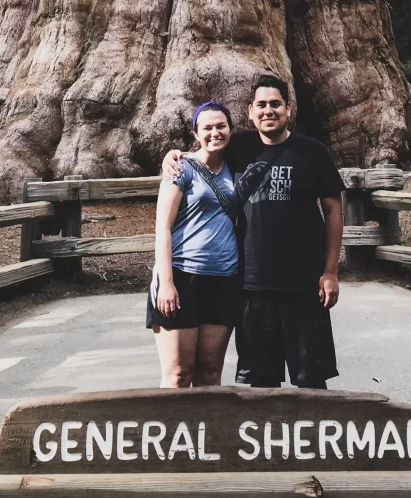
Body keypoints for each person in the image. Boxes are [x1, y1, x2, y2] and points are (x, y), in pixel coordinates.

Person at [163, 74, 344, 390]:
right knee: (261, 386)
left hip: (304, 286)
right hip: (250, 288)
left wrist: (330, 272)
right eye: (261, 105)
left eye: (276, 104)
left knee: (311, 382)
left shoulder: (312, 152)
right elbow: (204, 152)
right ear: (249, 111)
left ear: (289, 108)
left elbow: (333, 212)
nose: (268, 111)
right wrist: (173, 156)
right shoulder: (239, 148)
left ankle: (314, 439)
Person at [147, 101, 242, 388]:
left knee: (210, 372)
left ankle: (208, 433)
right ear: (196, 134)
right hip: (182, 276)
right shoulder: (181, 168)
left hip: (224, 279)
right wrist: (166, 283)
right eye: (208, 127)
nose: (215, 132)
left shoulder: (236, 168)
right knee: (178, 374)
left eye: (221, 126)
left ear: (230, 130)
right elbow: (163, 227)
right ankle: (171, 433)